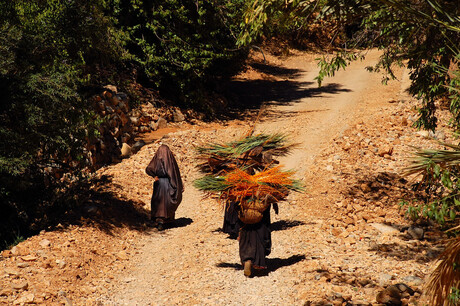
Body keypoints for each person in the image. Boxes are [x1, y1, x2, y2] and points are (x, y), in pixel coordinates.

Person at [145, 144, 184, 230]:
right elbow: (173, 173)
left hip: (159, 183)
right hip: (168, 183)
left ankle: (158, 221)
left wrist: (154, 176)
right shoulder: (170, 160)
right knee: (166, 202)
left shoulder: (156, 158)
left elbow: (148, 169)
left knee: (158, 203)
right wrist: (176, 185)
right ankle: (168, 220)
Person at [238, 202, 278, 277]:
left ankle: (247, 259)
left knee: (245, 225)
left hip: (244, 204)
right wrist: (274, 202)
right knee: (261, 227)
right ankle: (257, 262)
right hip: (262, 203)